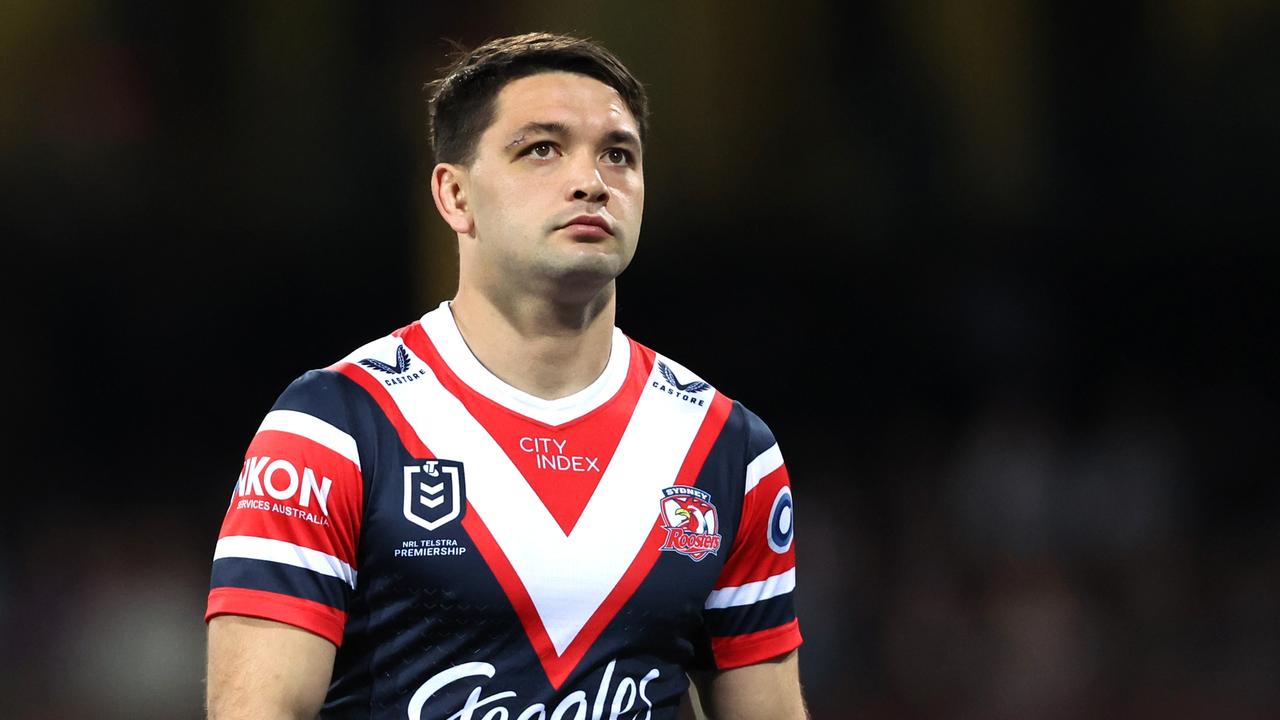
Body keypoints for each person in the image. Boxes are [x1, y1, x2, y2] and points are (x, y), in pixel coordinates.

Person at [205, 32, 806, 720]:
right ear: (454, 195)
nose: (592, 181)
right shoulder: (336, 426)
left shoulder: (727, 448)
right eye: (541, 149)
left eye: (618, 154)